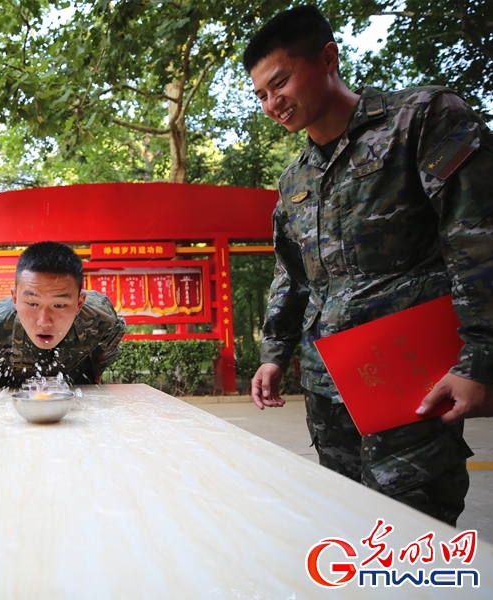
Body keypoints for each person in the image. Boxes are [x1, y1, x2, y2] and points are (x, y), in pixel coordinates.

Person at [245, 5, 493, 526]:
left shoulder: (422, 118)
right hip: (327, 384)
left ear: (328, 58)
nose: (272, 104)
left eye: (280, 82)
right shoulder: (295, 180)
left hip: (409, 379)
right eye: (261, 95)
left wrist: (479, 359)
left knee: (411, 528)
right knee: (346, 525)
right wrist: (274, 353)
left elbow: (477, 239)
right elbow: (292, 277)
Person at [0, 241, 126, 388]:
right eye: (32, 304)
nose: (44, 321)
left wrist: (96, 373)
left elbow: (110, 341)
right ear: (15, 299)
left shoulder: (100, 316)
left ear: (79, 303)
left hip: (77, 384)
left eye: (59, 305)